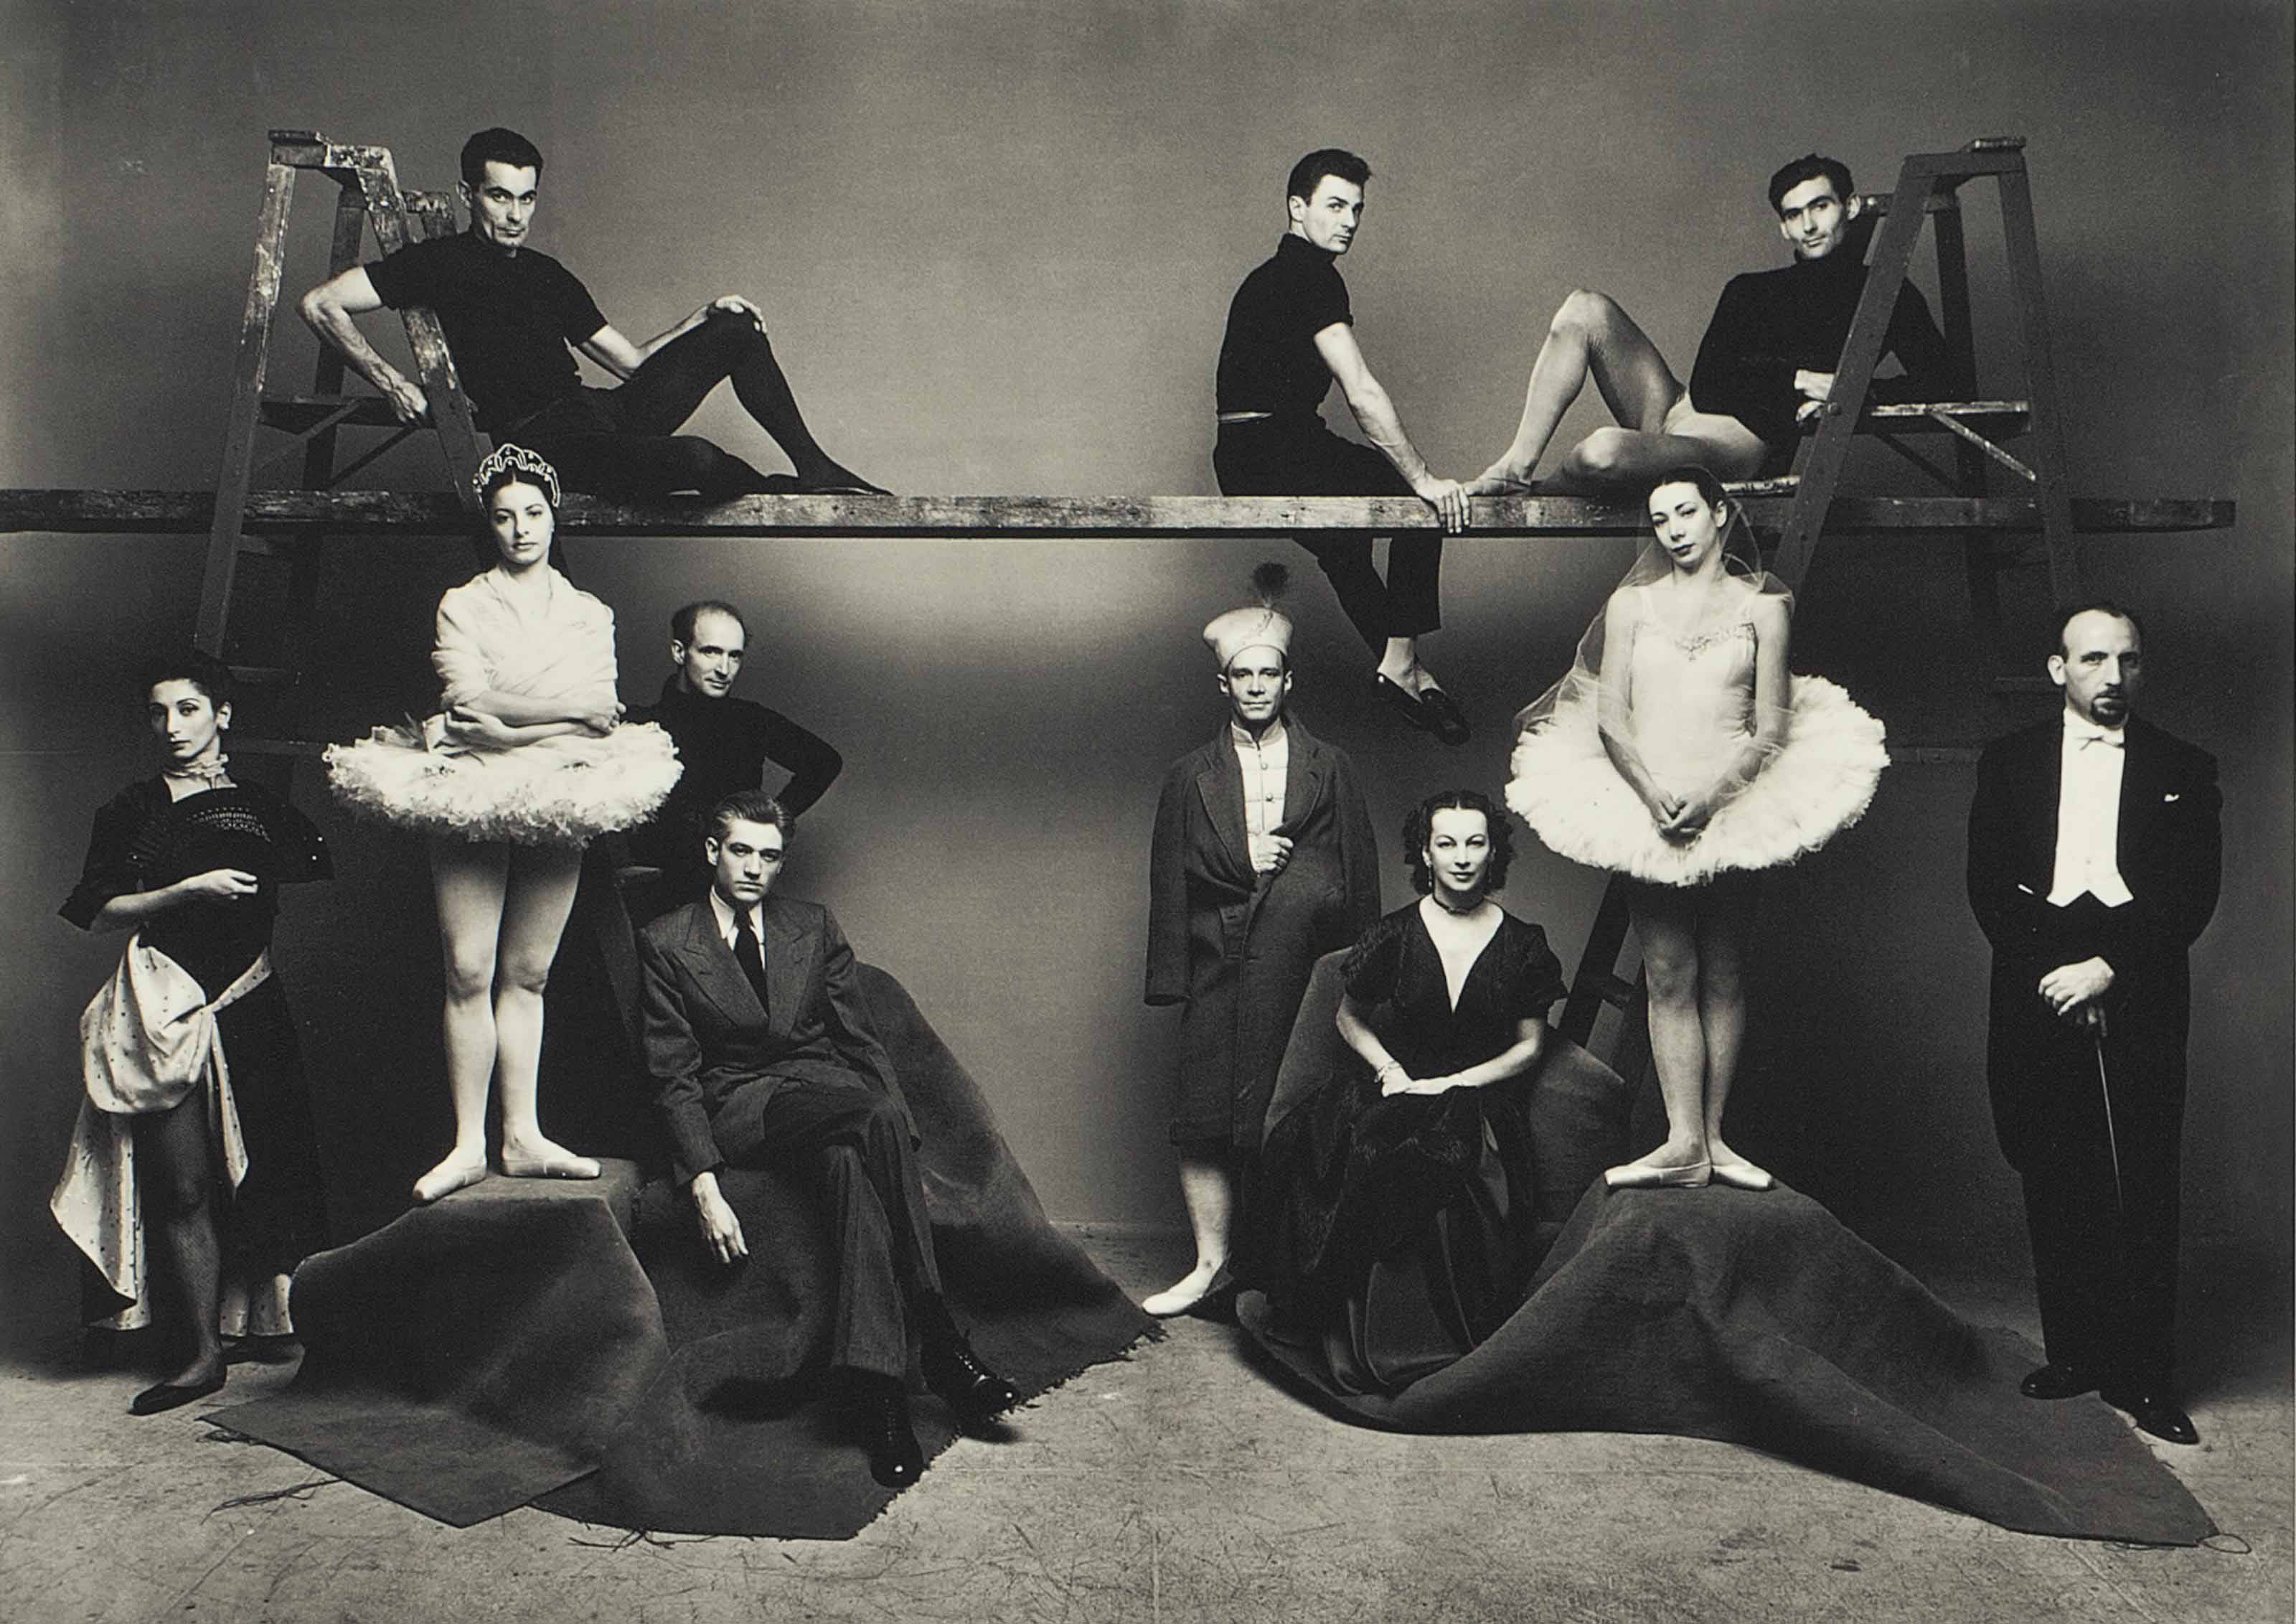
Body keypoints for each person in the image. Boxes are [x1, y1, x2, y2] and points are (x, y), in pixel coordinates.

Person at [1505, 466, 1886, 1188]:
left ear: (1719, 514)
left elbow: (1770, 726)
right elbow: (1610, 714)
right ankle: (1681, 1138)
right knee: (1668, 971)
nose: (1673, 530)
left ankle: (1713, 1139)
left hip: (1735, 796)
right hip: (1643, 793)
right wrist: (1651, 794)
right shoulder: (1631, 604)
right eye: (1660, 519)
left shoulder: (1763, 607)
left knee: (1726, 969)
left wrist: (1712, 798)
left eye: (1685, 512)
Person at [326, 445, 682, 1203]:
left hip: (560, 783)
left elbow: (599, 712)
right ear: (488, 525)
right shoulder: (464, 604)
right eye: (503, 516)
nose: (520, 529)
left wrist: (513, 722)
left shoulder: (588, 613)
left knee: (529, 972)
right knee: (467, 968)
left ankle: (522, 1134)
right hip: (471, 783)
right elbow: (466, 706)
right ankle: (468, 1143)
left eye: (533, 513)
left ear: (554, 517)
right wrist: (550, 716)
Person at [634, 790, 1020, 1488]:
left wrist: (897, 1135)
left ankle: (878, 1393)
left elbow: (858, 1039)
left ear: (782, 862)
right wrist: (703, 1184)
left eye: (770, 855)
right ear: (713, 852)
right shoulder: (666, 940)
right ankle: (939, 1336)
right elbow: (673, 1075)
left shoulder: (812, 926)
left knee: (850, 1157)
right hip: (742, 1106)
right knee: (868, 1121)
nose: (754, 867)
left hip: (826, 1095)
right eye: (741, 851)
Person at [298, 127, 882, 499]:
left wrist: (700, 318)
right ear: (467, 194)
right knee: (698, 458)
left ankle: (814, 470)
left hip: (604, 413)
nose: (515, 216)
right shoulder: (437, 263)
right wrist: (393, 383)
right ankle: (772, 491)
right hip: (545, 443)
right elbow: (320, 304)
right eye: (499, 197)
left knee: (736, 329)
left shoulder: (547, 273)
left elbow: (630, 364)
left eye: (527, 198)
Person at [1966, 603, 2221, 1445]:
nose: (2112, 677)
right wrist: (2057, 971)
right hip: (2039, 975)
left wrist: (2109, 966)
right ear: (2057, 669)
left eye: (2127, 660)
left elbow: (2190, 894)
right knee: (2054, 1164)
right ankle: (2074, 1353)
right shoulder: (2006, 762)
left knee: (2142, 1172)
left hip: (2138, 971)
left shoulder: (2184, 766)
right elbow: (1988, 886)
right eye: (2092, 660)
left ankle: (2147, 1378)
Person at [53, 650, 333, 1414]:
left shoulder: (262, 805)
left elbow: (295, 871)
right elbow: (98, 910)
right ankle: (202, 1354)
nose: (172, 726)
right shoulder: (131, 809)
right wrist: (185, 889)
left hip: (250, 998)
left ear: (223, 714)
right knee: (182, 1184)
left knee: (268, 1167)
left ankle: (254, 1324)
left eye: (188, 709)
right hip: (165, 1001)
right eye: (159, 712)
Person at [1247, 789, 1566, 1389]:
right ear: (1426, 852)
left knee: (1441, 1163)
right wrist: (1392, 1072)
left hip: (1476, 1097)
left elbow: (1529, 1048)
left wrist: (1454, 1082)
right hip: (1398, 1084)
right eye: (1447, 843)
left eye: (1475, 842)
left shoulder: (1524, 943)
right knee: (1351, 1147)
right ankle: (1350, 1336)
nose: (1462, 857)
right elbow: (1348, 1018)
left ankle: (1426, 1345)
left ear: (1493, 851)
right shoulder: (1393, 933)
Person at [1144, 565, 1380, 1317]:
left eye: (1267, 674)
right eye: (1241, 676)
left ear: (1288, 681)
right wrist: (1177, 970)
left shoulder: (1329, 766)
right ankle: (1210, 1263)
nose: (1255, 686)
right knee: (1204, 1114)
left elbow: (1355, 868)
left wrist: (1363, 976)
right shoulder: (1189, 775)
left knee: (1290, 1111)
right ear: (1223, 685)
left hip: (1301, 966)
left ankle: (1278, 1271)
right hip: (1216, 957)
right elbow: (1171, 872)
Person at [1469, 153, 1955, 493]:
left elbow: (1945, 381)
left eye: (1820, 207)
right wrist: (1800, 379)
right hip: (1677, 408)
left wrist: (1858, 391)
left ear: (1849, 206)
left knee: (1600, 453)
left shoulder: (1885, 294)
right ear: (1783, 226)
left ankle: (1540, 494)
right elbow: (1709, 383)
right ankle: (1516, 467)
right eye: (1794, 215)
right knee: (1584, 307)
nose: (1808, 225)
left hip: (1733, 443)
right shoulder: (1751, 289)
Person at [1213, 149, 1472, 745]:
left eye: (1357, 209)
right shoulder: (1312, 275)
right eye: (1334, 206)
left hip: (1241, 458)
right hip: (1279, 450)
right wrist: (1424, 478)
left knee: (1344, 548)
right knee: (1414, 501)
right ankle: (1401, 662)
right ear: (1296, 208)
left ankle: (1408, 670)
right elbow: (1361, 390)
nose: (1349, 221)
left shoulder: (1271, 275)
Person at [624, 598, 843, 898]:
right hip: (655, 892)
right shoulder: (639, 724)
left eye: (735, 656)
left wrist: (763, 824)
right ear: (679, 652)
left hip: (727, 888)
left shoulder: (750, 720)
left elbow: (824, 763)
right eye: (711, 652)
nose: (724, 669)